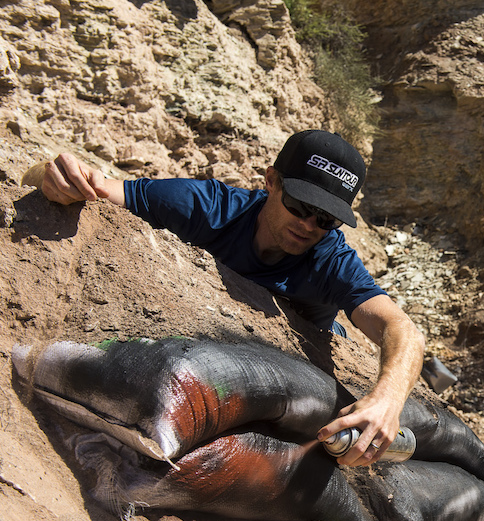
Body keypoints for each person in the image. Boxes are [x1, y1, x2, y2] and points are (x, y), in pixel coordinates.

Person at [23, 129, 425, 468]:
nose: (308, 226)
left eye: (326, 219)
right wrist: (52, 177)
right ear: (271, 181)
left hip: (322, 336)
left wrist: (387, 400)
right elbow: (80, 186)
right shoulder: (207, 208)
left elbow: (400, 328)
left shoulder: (331, 258)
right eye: (299, 206)